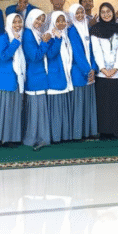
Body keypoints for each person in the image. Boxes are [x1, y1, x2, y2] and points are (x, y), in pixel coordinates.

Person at [90, 3, 118, 139]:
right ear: (100, 14)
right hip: (102, 73)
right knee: (103, 102)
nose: (106, 14)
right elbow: (96, 51)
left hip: (117, 73)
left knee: (116, 102)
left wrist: (116, 68)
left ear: (113, 12)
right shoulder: (95, 29)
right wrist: (104, 69)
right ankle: (104, 131)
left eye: (108, 11)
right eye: (103, 12)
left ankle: (115, 130)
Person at [0, 13, 26, 147]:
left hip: (16, 78)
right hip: (5, 79)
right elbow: (3, 56)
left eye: (19, 22)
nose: (17, 25)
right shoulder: (3, 37)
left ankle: (12, 137)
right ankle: (1, 138)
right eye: (14, 22)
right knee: (4, 110)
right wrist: (15, 42)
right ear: (8, 23)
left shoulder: (20, 37)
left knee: (14, 109)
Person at [67, 3, 98, 139]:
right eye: (77, 13)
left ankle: (88, 132)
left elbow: (93, 50)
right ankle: (78, 133)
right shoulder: (72, 30)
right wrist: (88, 71)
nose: (80, 15)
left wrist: (94, 68)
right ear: (72, 15)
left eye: (82, 12)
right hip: (79, 72)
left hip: (90, 71)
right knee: (79, 103)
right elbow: (77, 53)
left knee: (88, 102)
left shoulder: (87, 28)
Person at [22, 8, 52, 149]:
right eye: (37, 19)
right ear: (30, 19)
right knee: (35, 110)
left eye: (42, 20)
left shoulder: (36, 33)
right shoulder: (28, 34)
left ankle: (41, 137)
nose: (40, 22)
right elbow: (34, 56)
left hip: (39, 75)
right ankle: (32, 138)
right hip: (33, 75)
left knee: (40, 109)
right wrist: (45, 42)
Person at [46, 11, 74, 142]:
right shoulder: (50, 35)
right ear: (53, 22)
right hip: (55, 75)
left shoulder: (65, 35)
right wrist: (57, 39)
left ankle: (64, 135)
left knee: (63, 107)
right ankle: (55, 136)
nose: (61, 23)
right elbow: (50, 54)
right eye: (58, 21)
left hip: (64, 75)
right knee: (56, 108)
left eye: (63, 20)